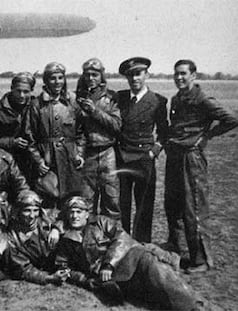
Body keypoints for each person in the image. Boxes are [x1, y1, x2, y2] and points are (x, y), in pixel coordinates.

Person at [55, 196, 210, 311]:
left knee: (157, 271)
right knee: (154, 296)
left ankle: (196, 306)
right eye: (72, 212)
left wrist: (109, 264)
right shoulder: (66, 240)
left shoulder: (101, 222)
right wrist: (86, 280)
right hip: (113, 281)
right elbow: (64, 268)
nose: (75, 216)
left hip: (131, 259)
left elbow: (122, 238)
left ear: (87, 214)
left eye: (79, 212)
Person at [164, 59, 238, 273]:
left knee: (194, 207)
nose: (179, 77)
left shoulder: (202, 98)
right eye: (176, 74)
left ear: (193, 75)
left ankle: (202, 260)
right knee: (173, 204)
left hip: (192, 158)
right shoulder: (177, 99)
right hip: (175, 156)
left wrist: (207, 136)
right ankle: (175, 247)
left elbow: (231, 119)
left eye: (183, 74)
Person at [114, 57, 168, 242]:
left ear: (146, 75)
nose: (134, 79)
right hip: (122, 157)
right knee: (122, 204)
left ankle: (142, 244)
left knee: (144, 204)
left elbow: (163, 132)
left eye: (138, 74)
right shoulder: (119, 98)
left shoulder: (158, 101)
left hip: (144, 158)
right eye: (130, 75)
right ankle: (122, 243)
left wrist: (154, 151)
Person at [23, 62, 85, 209]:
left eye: (60, 78)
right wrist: (38, 161)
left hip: (69, 160)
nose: (57, 82)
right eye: (52, 78)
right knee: (48, 199)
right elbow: (29, 137)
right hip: (47, 160)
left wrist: (80, 154)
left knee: (71, 202)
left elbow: (81, 133)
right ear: (45, 81)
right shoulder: (37, 105)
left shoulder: (72, 102)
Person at [76, 58, 121, 218]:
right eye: (87, 75)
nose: (91, 78)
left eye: (95, 74)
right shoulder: (79, 98)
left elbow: (116, 126)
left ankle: (112, 238)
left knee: (111, 199)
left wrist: (94, 111)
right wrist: (79, 153)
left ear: (102, 76)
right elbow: (79, 130)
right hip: (88, 154)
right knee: (86, 200)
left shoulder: (111, 97)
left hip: (108, 152)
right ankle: (88, 238)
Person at [7, 190, 69, 285]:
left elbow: (70, 216)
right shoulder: (12, 237)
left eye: (35, 210)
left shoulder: (47, 220)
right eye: (27, 210)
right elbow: (24, 269)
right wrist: (49, 277)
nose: (32, 216)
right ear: (18, 211)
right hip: (39, 273)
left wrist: (56, 228)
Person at [0, 72, 36, 177]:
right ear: (11, 88)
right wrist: (11, 142)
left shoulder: (35, 107)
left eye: (26, 92)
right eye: (18, 91)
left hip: (33, 161)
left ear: (31, 91)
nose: (21, 95)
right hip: (5, 163)